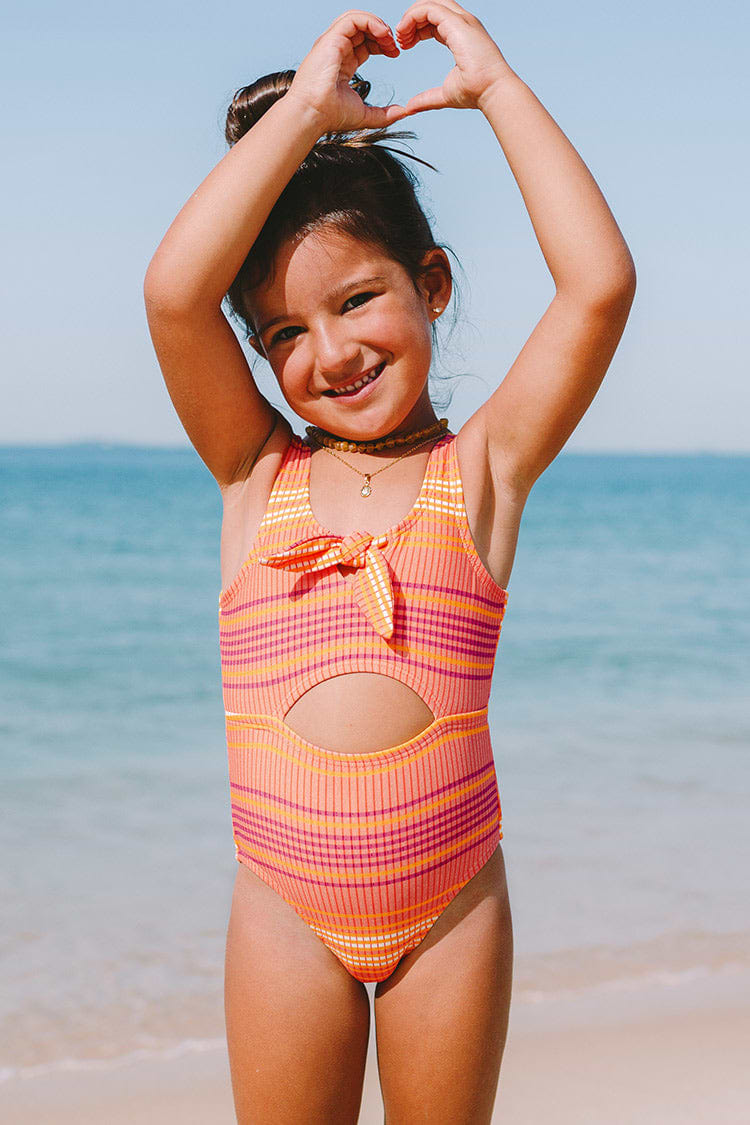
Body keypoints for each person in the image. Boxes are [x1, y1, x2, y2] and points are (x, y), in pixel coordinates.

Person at [143, 3, 636, 1121]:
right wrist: (306, 114)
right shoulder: (253, 474)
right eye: (281, 334)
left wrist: (497, 90)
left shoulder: (488, 470)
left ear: (434, 285)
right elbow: (175, 295)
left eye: (358, 298)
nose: (331, 351)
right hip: (283, 908)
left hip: (452, 901)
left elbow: (598, 286)